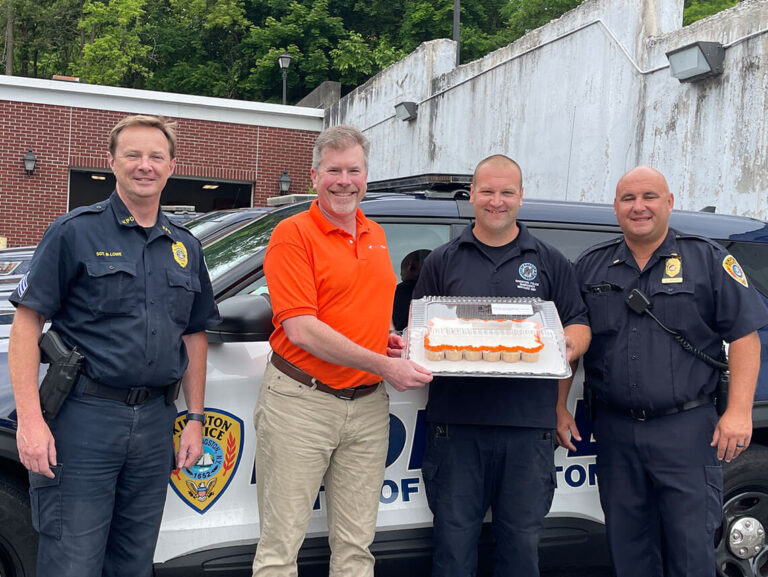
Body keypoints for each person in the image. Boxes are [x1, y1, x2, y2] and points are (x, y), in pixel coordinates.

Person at [8, 115, 220, 577]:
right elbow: (27, 324)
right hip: (84, 422)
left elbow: (194, 333)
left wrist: (196, 419)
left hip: (155, 423)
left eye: (156, 157)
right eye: (133, 155)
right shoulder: (74, 232)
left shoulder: (186, 246)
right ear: (111, 162)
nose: (145, 165)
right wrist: (29, 420)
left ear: (171, 166)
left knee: (133, 562)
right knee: (72, 563)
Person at [251, 125, 433, 577]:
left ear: (366, 176)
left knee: (356, 548)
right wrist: (383, 363)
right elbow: (302, 328)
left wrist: (384, 340)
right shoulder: (292, 234)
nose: (344, 180)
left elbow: (356, 308)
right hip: (302, 403)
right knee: (280, 549)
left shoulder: (376, 233)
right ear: (314, 176)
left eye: (354, 170)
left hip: (368, 408)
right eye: (334, 170)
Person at [572, 166, 768, 577]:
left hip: (687, 430)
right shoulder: (591, 267)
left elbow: (746, 338)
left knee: (690, 549)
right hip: (615, 431)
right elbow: (571, 344)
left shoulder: (708, 259)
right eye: (628, 198)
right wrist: (558, 406)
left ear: (669, 203)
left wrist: (739, 412)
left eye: (649, 197)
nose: (638, 207)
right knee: (629, 548)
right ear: (616, 207)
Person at [412, 154, 591, 577]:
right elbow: (420, 327)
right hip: (456, 429)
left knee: (521, 550)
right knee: (453, 549)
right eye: (488, 191)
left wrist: (564, 347)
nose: (497, 201)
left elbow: (579, 324)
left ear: (521, 197)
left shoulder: (549, 261)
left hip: (528, 431)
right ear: (472, 195)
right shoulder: (443, 259)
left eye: (507, 192)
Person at [392, 248, 431, 331]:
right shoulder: (447, 292)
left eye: (401, 274)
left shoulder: (400, 292)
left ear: (411, 266)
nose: (402, 278)